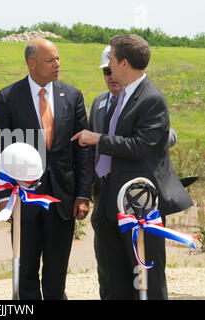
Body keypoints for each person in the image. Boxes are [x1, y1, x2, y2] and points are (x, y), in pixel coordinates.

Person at [72, 34, 193, 299]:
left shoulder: (151, 99)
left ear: (124, 63)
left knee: (145, 276)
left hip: (138, 203)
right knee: (111, 275)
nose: (110, 70)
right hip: (106, 200)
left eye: (111, 62)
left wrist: (98, 139)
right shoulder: (108, 99)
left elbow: (139, 147)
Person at [0, 38, 93, 300]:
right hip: (24, 203)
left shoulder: (72, 96)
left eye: (57, 58)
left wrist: (83, 194)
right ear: (31, 63)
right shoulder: (9, 97)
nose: (57, 64)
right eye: (50, 60)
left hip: (62, 201)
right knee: (25, 277)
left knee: (56, 279)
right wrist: (3, 198)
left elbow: (83, 150)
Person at [89, 45, 124, 300]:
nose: (111, 77)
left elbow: (166, 135)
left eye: (114, 70)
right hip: (102, 196)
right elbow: (92, 149)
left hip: (130, 197)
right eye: (105, 71)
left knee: (133, 262)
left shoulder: (143, 100)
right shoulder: (99, 102)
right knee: (106, 263)